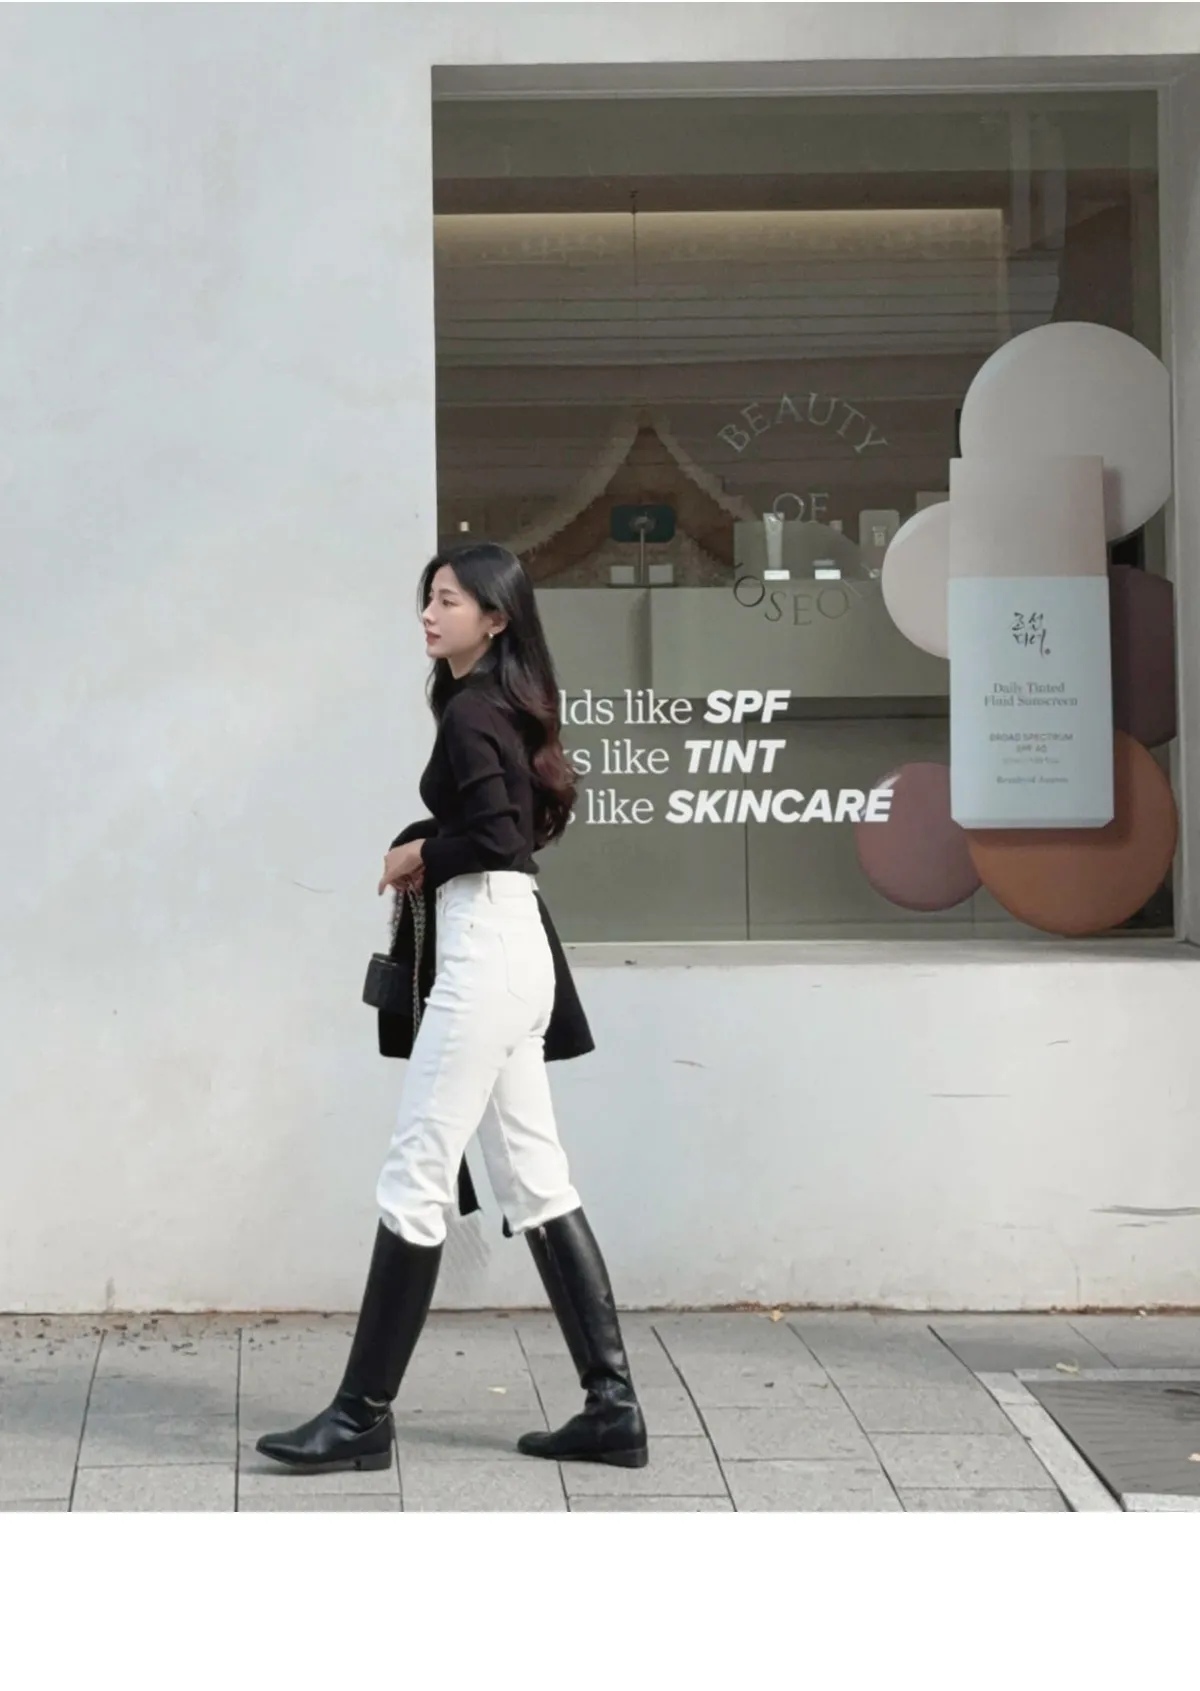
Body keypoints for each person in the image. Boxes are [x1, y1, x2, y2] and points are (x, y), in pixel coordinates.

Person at [255, 542, 648, 1475]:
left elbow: (500, 834)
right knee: (537, 1180)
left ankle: (360, 1415)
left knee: (415, 1174)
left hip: (485, 954)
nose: (430, 615)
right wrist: (434, 840)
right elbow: (510, 826)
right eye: (427, 599)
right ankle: (612, 1407)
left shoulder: (474, 710)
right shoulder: (498, 704)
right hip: (517, 948)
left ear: (496, 618)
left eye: (449, 601)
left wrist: (419, 854)